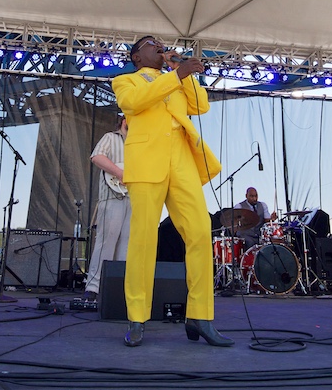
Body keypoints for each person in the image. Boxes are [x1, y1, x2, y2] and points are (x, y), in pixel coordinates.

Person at [113, 35, 231, 348]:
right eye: (152, 44)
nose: (160, 47)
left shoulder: (176, 78)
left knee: (201, 231)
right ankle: (137, 317)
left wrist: (183, 72)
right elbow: (134, 104)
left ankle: (199, 315)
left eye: (161, 45)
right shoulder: (125, 80)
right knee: (143, 239)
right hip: (147, 163)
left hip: (182, 163)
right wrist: (175, 76)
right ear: (137, 56)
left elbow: (201, 105)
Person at [82, 116, 131, 301]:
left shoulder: (140, 142)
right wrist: (119, 173)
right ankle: (94, 288)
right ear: (124, 120)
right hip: (111, 197)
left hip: (133, 198)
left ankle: (117, 287)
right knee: (106, 242)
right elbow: (97, 156)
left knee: (126, 244)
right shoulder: (110, 137)